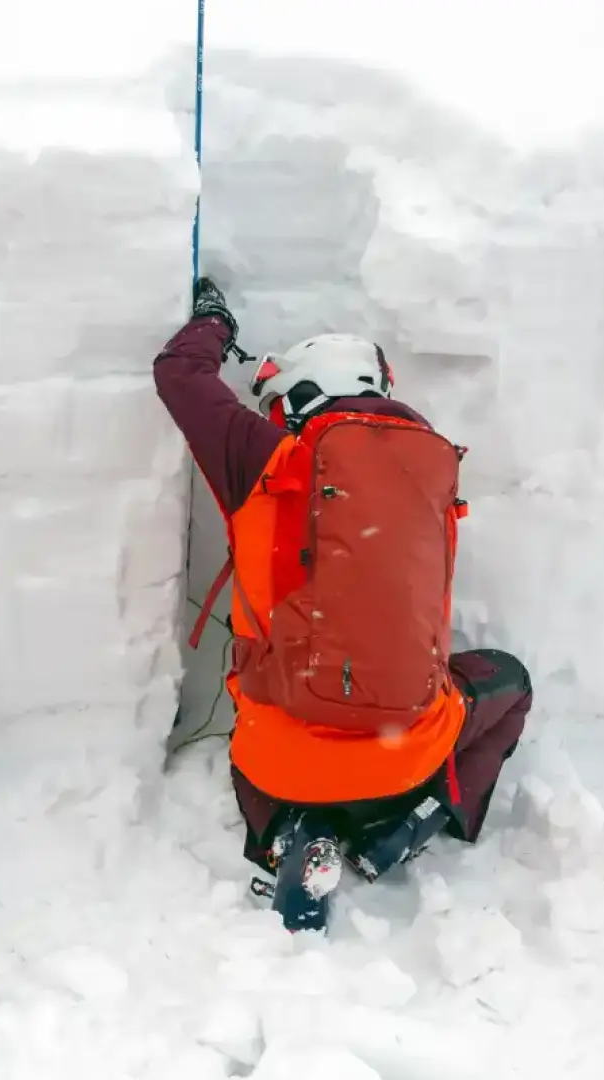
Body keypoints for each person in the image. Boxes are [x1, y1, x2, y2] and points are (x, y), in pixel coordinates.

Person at [153, 279, 532, 932]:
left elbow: (179, 375)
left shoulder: (261, 457)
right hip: (404, 757)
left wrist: (213, 319)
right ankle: (415, 822)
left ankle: (293, 830)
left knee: (274, 722)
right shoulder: (431, 470)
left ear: (294, 396)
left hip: (278, 764)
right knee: (508, 680)